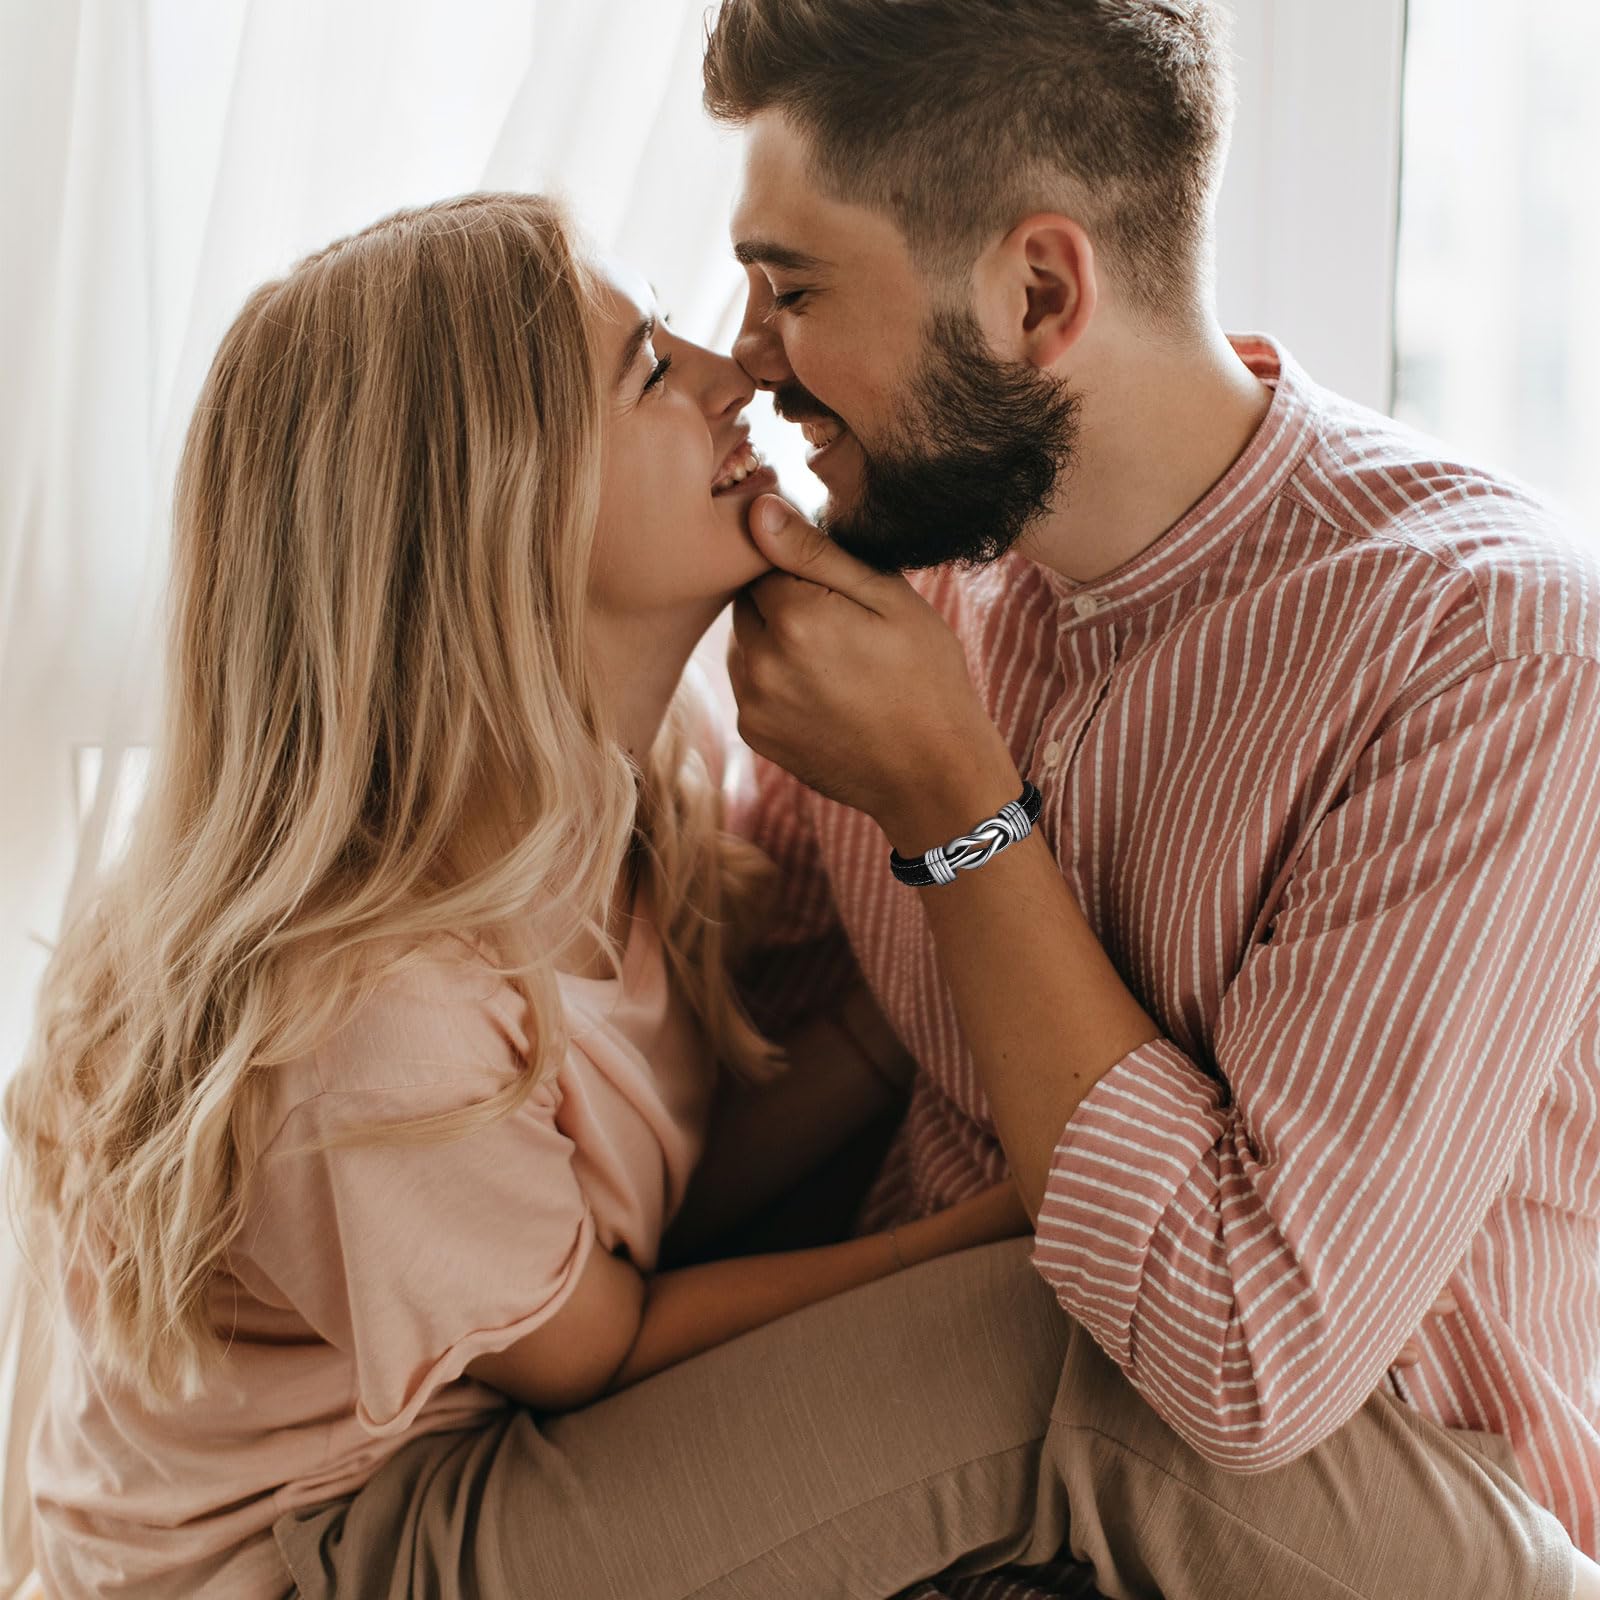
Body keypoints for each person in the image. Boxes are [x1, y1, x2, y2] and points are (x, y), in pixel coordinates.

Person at [3, 194, 1055, 1599]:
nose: (733, 371)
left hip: (469, 1439)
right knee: (1016, 1355)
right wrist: (997, 1228)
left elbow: (609, 1207)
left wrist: (903, 1026)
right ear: (496, 520)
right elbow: (597, 1337)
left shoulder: (631, 798)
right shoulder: (371, 1019)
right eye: (650, 370)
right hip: (293, 1550)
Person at [699, 1, 1600, 1597]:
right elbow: (730, 1095)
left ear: (1038, 291)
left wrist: (954, 806)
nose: (746, 355)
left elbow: (1245, 1364)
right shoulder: (912, 583)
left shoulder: (1493, 650)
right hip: (934, 1513)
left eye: (793, 286)